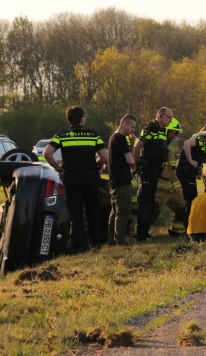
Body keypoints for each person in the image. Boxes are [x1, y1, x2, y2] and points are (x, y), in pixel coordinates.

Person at [44, 106, 108, 252]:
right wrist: (95, 165)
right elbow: (105, 157)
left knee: (75, 213)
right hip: (90, 177)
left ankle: (77, 245)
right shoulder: (93, 135)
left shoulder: (62, 135)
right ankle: (95, 242)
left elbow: (47, 153)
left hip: (71, 177)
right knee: (92, 211)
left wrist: (57, 167)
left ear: (69, 120)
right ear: (81, 119)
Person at [133, 108, 174, 241]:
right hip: (147, 170)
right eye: (169, 117)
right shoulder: (151, 128)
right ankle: (140, 234)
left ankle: (145, 232)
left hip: (155, 170)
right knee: (144, 201)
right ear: (160, 116)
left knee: (150, 201)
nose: (170, 120)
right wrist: (135, 165)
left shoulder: (162, 130)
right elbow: (137, 146)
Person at [153, 118, 187, 237]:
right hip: (160, 188)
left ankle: (177, 233)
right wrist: (174, 143)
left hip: (174, 188)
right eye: (171, 132)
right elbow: (166, 155)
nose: (173, 136)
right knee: (152, 214)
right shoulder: (158, 145)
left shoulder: (172, 146)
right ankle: (141, 234)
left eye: (175, 133)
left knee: (182, 209)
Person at [107, 114, 137, 246]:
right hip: (122, 181)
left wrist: (131, 143)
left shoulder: (112, 137)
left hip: (114, 180)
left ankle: (111, 240)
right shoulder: (120, 139)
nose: (133, 130)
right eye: (132, 126)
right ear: (124, 124)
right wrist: (131, 144)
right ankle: (120, 241)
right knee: (123, 211)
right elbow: (130, 160)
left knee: (114, 212)